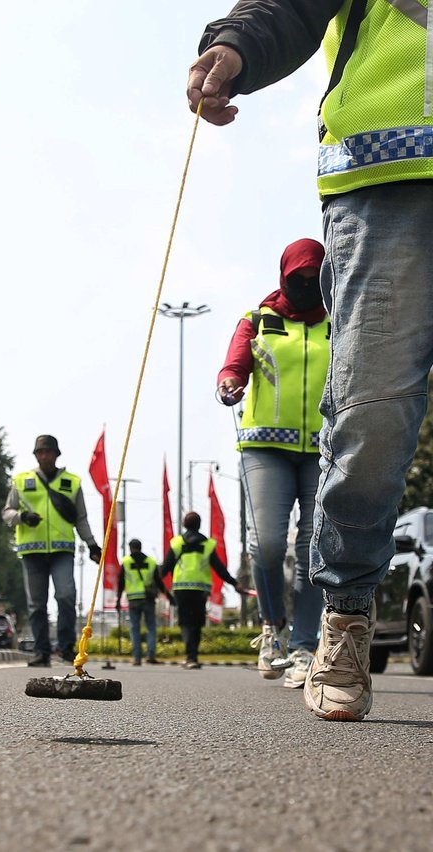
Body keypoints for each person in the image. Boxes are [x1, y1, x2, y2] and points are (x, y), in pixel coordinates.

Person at [187, 1, 430, 721]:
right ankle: (346, 615)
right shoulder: (260, 317)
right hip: (389, 171)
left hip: (301, 451)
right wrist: (234, 47)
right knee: (373, 416)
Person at [218, 238, 329, 687]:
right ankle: (273, 628)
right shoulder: (258, 319)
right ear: (283, 276)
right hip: (265, 446)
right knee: (265, 543)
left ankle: (304, 646)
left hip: (324, 449)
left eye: (313, 280)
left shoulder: (338, 319)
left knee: (312, 549)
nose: (305, 287)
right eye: (296, 280)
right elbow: (234, 364)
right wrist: (229, 382)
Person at [2, 435, 102, 666]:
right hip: (31, 551)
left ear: (57, 454)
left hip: (62, 550)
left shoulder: (72, 482)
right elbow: (7, 512)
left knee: (66, 596)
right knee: (37, 604)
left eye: (48, 452)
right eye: (40, 452)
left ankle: (66, 648)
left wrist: (92, 545)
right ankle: (41, 651)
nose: (44, 456)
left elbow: (81, 518)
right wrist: (22, 517)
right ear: (36, 455)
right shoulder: (21, 480)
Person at [161, 511, 243, 669]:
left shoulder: (176, 543)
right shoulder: (207, 545)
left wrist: (156, 584)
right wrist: (234, 583)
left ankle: (189, 656)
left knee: (185, 622)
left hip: (181, 588)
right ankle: (194, 656)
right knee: (197, 623)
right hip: (200, 589)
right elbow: (219, 568)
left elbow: (165, 568)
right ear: (199, 525)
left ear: (184, 525)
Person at [116, 538, 174, 666]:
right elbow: (159, 582)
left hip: (133, 599)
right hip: (148, 599)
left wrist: (118, 600)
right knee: (151, 627)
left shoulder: (126, 562)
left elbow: (120, 582)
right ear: (141, 547)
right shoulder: (151, 562)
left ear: (130, 548)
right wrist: (169, 596)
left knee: (134, 628)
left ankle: (137, 658)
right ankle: (150, 655)